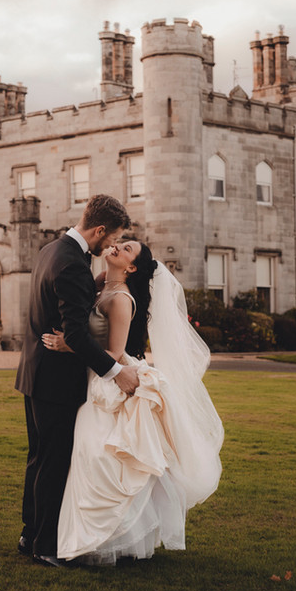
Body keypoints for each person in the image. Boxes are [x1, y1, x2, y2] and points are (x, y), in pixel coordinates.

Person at [43, 240, 224, 565]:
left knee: (99, 454)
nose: (116, 246)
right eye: (119, 242)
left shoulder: (121, 299)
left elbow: (113, 353)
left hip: (107, 381)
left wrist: (67, 345)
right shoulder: (99, 286)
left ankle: (102, 539)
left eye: (126, 248)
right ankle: (95, 537)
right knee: (91, 454)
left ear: (131, 268)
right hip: (91, 380)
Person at [14, 194, 141, 567]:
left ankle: (29, 534)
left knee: (38, 458)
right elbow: (78, 335)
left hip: (34, 372)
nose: (113, 245)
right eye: (113, 237)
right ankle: (45, 547)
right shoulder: (71, 264)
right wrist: (118, 373)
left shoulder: (52, 249)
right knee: (54, 462)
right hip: (55, 380)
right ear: (99, 230)